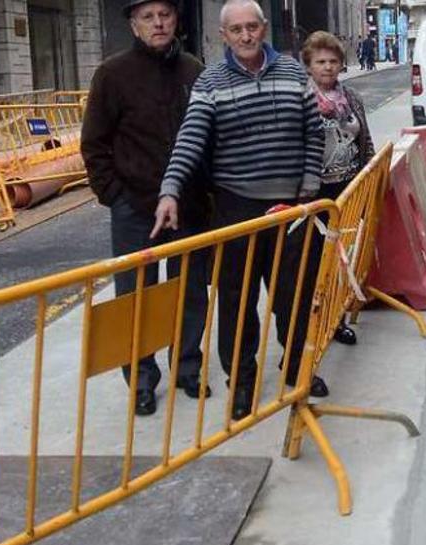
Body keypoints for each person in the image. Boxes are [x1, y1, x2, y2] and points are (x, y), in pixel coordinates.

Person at [153, 0, 327, 420]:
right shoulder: (210, 83)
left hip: (291, 208)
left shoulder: (292, 73)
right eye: (236, 30)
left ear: (264, 28)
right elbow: (190, 139)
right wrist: (170, 190)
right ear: (224, 35)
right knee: (236, 300)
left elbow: (313, 133)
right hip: (236, 207)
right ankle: (242, 381)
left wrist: (307, 191)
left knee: (294, 296)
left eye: (252, 27)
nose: (246, 35)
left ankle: (296, 367)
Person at [80, 0, 210, 416]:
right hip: (135, 207)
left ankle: (188, 367)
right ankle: (140, 379)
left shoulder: (194, 70)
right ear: (134, 26)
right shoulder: (113, 75)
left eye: (165, 15)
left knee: (189, 290)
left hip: (188, 205)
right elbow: (94, 144)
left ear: (176, 20)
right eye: (148, 18)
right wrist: (115, 195)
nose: (158, 24)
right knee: (134, 294)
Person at [302, 30, 377, 346]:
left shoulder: (352, 98)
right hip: (314, 195)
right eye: (320, 61)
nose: (327, 67)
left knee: (340, 261)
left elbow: (366, 141)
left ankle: (336, 321)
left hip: (347, 190)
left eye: (333, 61)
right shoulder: (301, 99)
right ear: (308, 65)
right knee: (312, 265)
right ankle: (310, 325)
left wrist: (371, 175)